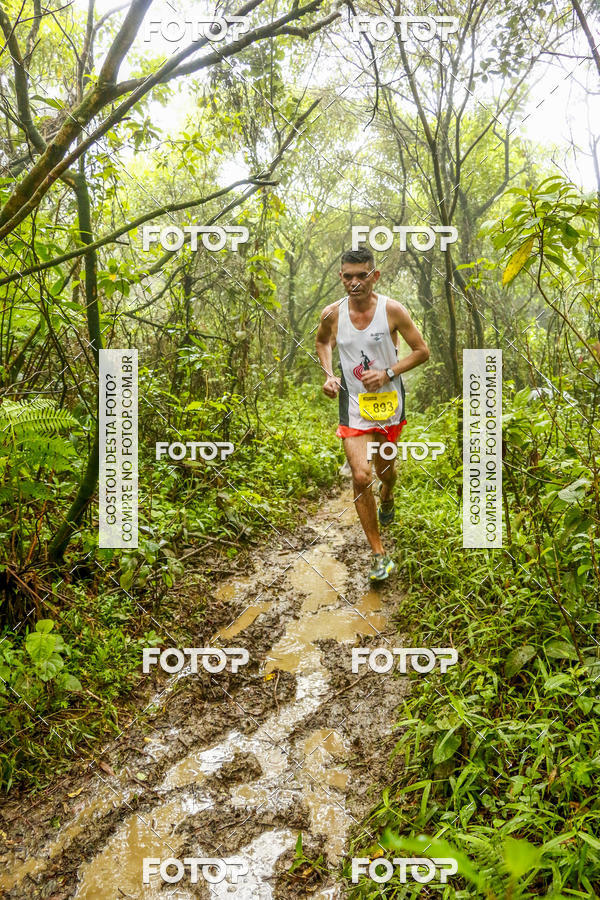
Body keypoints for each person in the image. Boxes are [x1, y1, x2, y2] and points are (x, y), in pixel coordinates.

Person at [315, 247, 430, 581]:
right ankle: (379, 555)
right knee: (361, 475)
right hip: (353, 406)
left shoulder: (392, 310)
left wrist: (388, 373)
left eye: (362, 276)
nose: (355, 282)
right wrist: (329, 375)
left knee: (385, 472)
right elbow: (323, 342)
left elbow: (422, 351)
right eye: (348, 276)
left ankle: (388, 494)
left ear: (374, 276)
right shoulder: (332, 314)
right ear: (341, 277)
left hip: (388, 404)